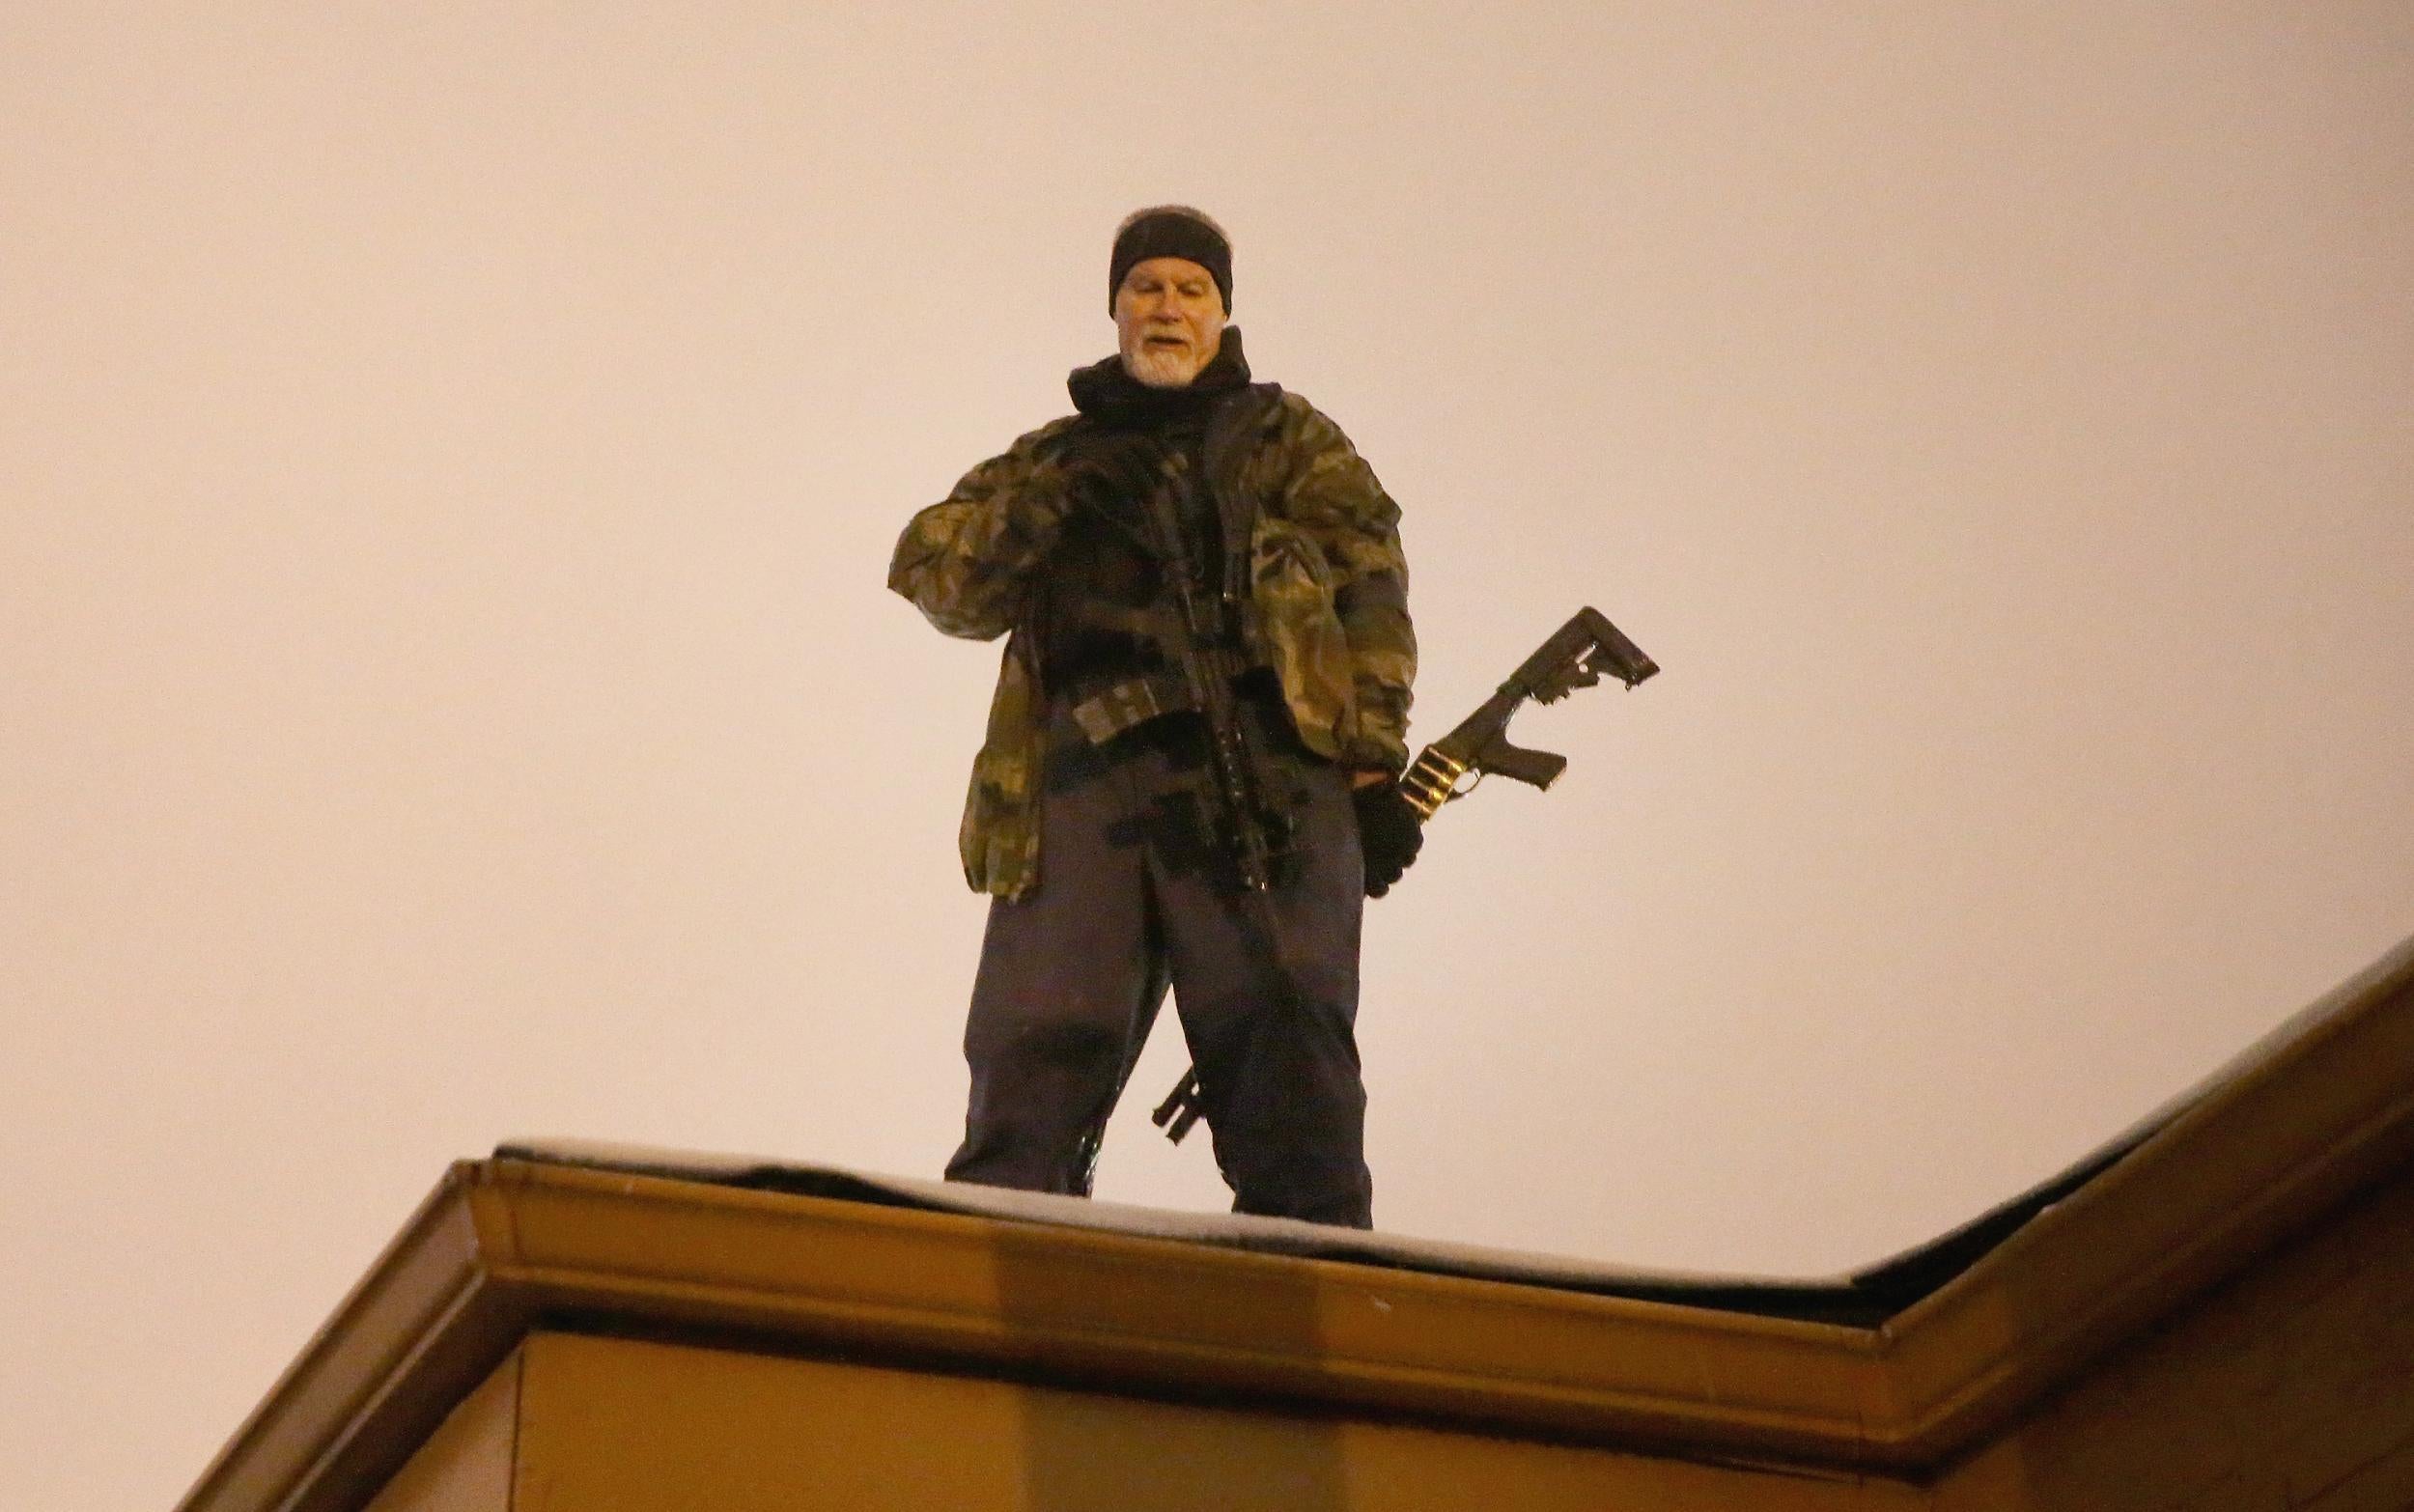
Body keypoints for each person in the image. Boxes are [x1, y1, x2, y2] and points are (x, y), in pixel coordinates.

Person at [887, 206, 1422, 1228]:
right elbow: (937, 576)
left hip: (1262, 771)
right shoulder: (1052, 458)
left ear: (1223, 313)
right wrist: (1056, 499)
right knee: (1041, 1032)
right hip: (1087, 784)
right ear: (1115, 309)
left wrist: (1367, 769)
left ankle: (1322, 1289)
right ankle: (1003, 1264)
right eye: (1146, 288)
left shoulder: (1286, 441)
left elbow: (1368, 593)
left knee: (1285, 1034)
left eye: (1190, 289)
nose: (1166, 307)